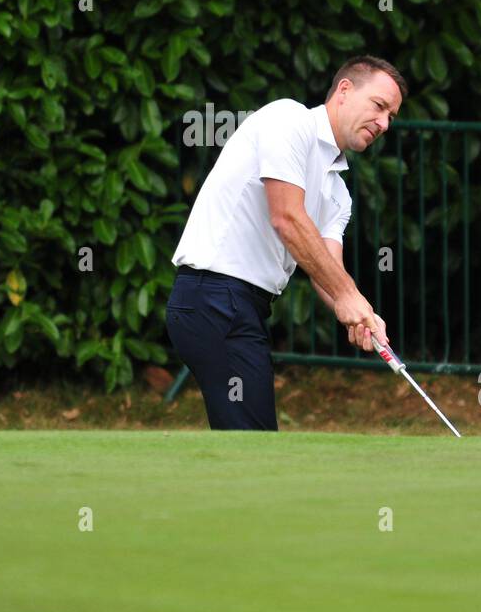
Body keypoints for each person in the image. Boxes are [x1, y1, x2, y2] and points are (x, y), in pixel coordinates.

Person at [166, 56, 407, 430]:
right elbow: (287, 218)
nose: (384, 123)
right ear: (344, 90)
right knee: (253, 441)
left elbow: (327, 271)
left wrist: (363, 315)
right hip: (212, 298)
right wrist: (347, 296)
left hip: (242, 307)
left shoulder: (338, 193)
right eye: (379, 106)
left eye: (391, 116)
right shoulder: (288, 119)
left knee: (250, 439)